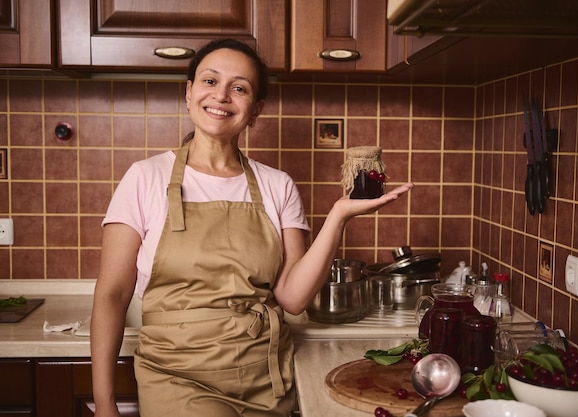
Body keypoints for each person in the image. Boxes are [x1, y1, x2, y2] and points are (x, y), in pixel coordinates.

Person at [90, 38, 413, 417]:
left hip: (266, 377)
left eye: (239, 87)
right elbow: (111, 294)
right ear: (189, 92)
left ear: (255, 109)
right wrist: (105, 403)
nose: (222, 95)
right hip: (177, 376)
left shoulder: (278, 185)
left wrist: (339, 217)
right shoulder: (144, 178)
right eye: (210, 81)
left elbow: (292, 298)